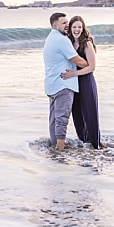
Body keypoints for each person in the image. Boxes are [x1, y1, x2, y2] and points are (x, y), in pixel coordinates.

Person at [43, 12, 88, 151]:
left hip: (52, 84)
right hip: (63, 84)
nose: (67, 26)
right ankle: (60, 151)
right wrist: (88, 63)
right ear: (55, 25)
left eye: (67, 23)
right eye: (64, 23)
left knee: (54, 120)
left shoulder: (50, 38)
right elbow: (77, 60)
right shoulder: (61, 40)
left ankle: (54, 147)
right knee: (62, 119)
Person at [64, 15, 102, 149]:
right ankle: (84, 144)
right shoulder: (68, 43)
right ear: (70, 28)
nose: (77, 30)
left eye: (79, 27)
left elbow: (92, 67)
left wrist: (73, 73)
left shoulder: (87, 43)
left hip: (86, 82)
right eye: (74, 27)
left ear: (83, 28)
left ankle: (96, 146)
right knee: (77, 114)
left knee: (90, 114)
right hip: (74, 83)